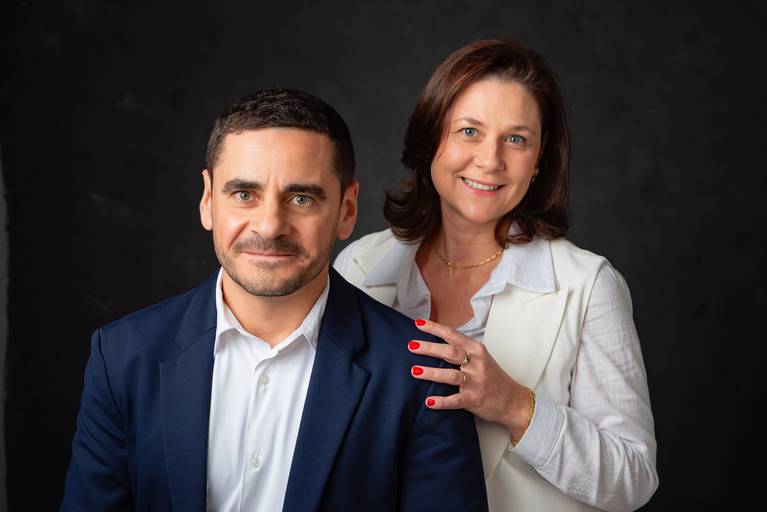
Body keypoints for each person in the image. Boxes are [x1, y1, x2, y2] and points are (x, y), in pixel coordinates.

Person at [61, 89, 488, 511]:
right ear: (208, 200)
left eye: (301, 198)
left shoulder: (423, 374)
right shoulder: (122, 357)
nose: (269, 226)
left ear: (347, 210)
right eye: (244, 194)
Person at [334, 40, 659, 511]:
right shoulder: (357, 268)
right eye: (469, 131)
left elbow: (633, 478)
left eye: (516, 139)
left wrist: (515, 406)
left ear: (539, 159)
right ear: (430, 137)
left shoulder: (589, 285)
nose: (490, 160)